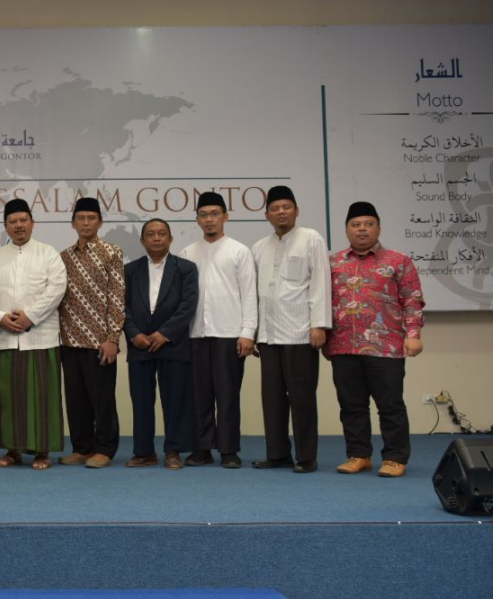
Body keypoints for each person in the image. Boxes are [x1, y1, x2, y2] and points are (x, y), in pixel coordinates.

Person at [327, 202, 425, 478]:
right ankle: (358, 455)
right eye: (355, 224)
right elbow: (322, 302)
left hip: (387, 346)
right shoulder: (333, 262)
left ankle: (395, 457)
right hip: (343, 345)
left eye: (368, 224)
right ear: (346, 229)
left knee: (390, 404)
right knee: (351, 405)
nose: (361, 229)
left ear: (378, 228)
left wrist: (414, 335)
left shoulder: (398, 260)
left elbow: (412, 300)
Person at [250, 185, 332, 474]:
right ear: (267, 214)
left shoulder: (311, 239)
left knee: (301, 398)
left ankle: (307, 457)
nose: (281, 212)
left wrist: (319, 325)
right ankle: (278, 454)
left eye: (286, 207)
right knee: (271, 399)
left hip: (300, 333)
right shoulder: (259, 247)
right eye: (275, 208)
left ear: (296, 210)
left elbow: (321, 283)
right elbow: (254, 294)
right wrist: (255, 331)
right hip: (269, 336)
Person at [0, 198, 67, 470]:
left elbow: (56, 289)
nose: (18, 226)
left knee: (42, 395)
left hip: (41, 336)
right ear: (6, 226)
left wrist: (30, 316)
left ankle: (42, 451)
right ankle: (13, 450)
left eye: (23, 220)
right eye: (12, 222)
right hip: (6, 336)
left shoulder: (48, 254)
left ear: (32, 223)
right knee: (8, 396)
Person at [179, 192, 257, 469]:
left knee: (227, 395)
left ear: (226, 216)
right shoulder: (188, 253)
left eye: (214, 213)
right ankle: (202, 448)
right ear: (197, 219)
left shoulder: (239, 251)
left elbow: (249, 295)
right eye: (203, 214)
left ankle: (228, 449)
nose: (209, 219)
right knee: (199, 394)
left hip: (229, 334)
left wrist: (248, 332)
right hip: (195, 335)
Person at [123, 219, 198, 470]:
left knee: (175, 400)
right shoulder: (130, 270)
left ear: (171, 239)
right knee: (142, 401)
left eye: (162, 234)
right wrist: (134, 334)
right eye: (151, 234)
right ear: (142, 240)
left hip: (172, 344)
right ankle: (144, 452)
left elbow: (188, 304)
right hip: (139, 345)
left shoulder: (186, 268)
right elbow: (123, 307)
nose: (157, 238)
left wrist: (164, 333)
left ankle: (173, 450)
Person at [57, 197, 125, 469]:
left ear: (100, 222)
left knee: (102, 399)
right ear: (73, 223)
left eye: (91, 218)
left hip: (100, 341)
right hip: (70, 339)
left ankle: (105, 449)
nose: (86, 223)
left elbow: (117, 297)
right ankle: (82, 448)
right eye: (81, 218)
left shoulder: (112, 252)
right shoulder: (64, 256)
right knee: (76, 399)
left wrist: (112, 339)